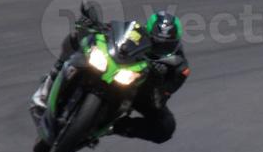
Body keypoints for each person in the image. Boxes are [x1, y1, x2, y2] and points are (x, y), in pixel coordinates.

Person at [32, 9, 189, 144]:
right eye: (156, 43)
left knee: (166, 127)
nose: (159, 48)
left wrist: (158, 78)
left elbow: (160, 100)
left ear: (175, 43)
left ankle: (116, 127)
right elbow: (112, 31)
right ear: (149, 33)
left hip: (142, 93)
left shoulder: (179, 67)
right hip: (117, 69)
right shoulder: (136, 31)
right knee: (77, 38)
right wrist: (92, 25)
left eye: (165, 45)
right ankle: (53, 76)